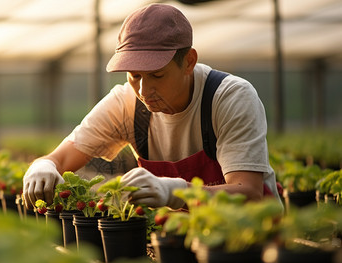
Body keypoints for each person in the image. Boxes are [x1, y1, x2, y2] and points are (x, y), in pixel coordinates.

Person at [23, 3, 281, 210]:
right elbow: (59, 159)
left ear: (189, 61)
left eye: (157, 75)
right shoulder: (125, 104)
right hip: (178, 239)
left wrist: (176, 192)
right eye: (134, 75)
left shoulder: (229, 97)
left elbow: (248, 193)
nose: (144, 91)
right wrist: (42, 167)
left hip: (251, 243)